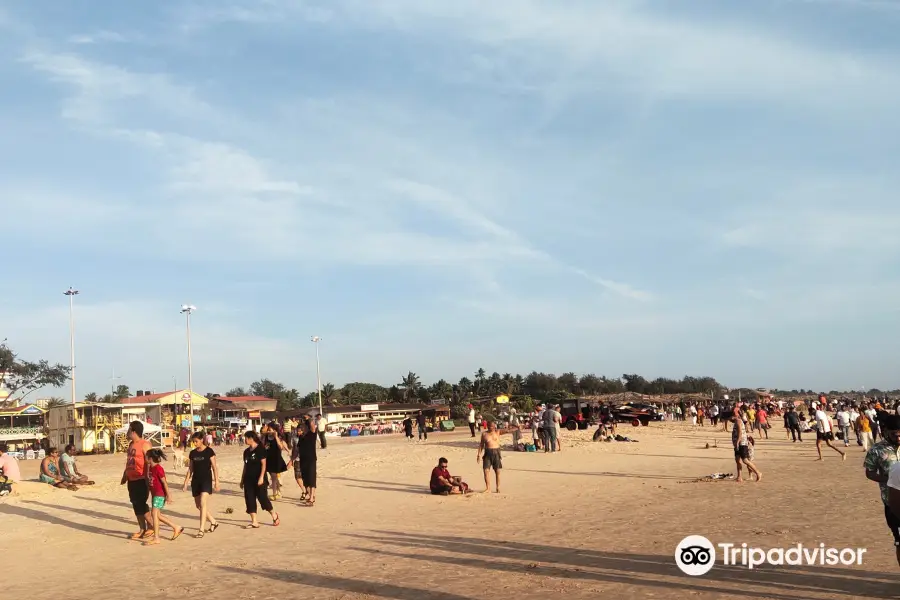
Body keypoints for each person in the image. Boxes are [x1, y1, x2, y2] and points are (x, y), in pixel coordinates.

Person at [866, 412, 900, 567]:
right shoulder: (876, 450)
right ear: (886, 431)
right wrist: (889, 480)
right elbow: (869, 472)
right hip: (892, 504)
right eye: (895, 435)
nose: (898, 438)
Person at [181, 431, 220, 538]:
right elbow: (190, 469)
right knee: (199, 506)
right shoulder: (193, 453)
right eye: (193, 442)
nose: (195, 443)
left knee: (203, 503)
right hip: (195, 481)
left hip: (206, 480)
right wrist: (185, 483)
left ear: (202, 440)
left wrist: (217, 481)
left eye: (196, 441)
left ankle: (201, 530)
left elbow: (214, 467)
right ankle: (213, 522)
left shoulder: (209, 451)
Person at [121, 421, 154, 541]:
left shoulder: (145, 444)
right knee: (135, 503)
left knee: (141, 503)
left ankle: (151, 526)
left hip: (141, 479)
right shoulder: (131, 444)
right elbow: (129, 461)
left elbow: (151, 462)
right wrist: (125, 475)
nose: (127, 432)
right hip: (131, 479)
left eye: (129, 430)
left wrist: (149, 478)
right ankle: (142, 528)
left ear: (134, 431)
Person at [240, 431, 280, 529]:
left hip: (259, 478)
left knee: (263, 499)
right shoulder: (246, 452)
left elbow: (264, 464)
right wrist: (242, 480)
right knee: (249, 499)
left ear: (251, 438)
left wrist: (261, 477)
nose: (244, 440)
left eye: (246, 438)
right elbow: (245, 466)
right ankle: (254, 521)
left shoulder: (260, 449)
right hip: (248, 479)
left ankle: (274, 515)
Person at [145, 448, 183, 546]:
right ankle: (176, 527)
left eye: (146, 457)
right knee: (157, 515)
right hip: (154, 494)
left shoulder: (158, 468)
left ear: (150, 458)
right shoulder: (150, 468)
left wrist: (168, 495)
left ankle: (156, 538)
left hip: (159, 494)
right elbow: (151, 483)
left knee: (154, 514)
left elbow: (164, 482)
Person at [291, 417, 318, 506]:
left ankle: (311, 499)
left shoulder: (311, 435)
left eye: (299, 431)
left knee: (311, 479)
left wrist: (310, 419)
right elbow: (297, 451)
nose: (298, 433)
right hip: (303, 461)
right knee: (305, 480)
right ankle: (311, 496)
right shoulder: (300, 439)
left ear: (304, 430)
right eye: (297, 431)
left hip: (311, 460)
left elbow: (313, 427)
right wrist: (292, 460)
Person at [732, 413, 761, 483]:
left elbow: (740, 433)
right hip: (738, 444)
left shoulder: (738, 421)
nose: (730, 420)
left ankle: (758, 472)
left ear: (733, 416)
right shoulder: (736, 422)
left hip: (742, 443)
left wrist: (737, 442)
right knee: (737, 460)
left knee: (745, 460)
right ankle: (739, 477)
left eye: (730, 418)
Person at [263, 423, 288, 500]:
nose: (269, 431)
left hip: (276, 459)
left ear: (274, 430)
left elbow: (280, 447)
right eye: (268, 430)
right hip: (268, 459)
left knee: (274, 477)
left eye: (270, 430)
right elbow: (265, 446)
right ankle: (279, 492)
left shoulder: (278, 437)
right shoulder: (266, 437)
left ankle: (274, 494)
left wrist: (276, 436)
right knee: (274, 477)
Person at [477, 421, 503, 493]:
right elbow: (481, 445)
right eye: (489, 426)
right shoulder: (484, 434)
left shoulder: (497, 432)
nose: (490, 427)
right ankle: (488, 488)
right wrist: (478, 455)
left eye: (492, 426)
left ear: (494, 426)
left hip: (496, 452)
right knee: (486, 470)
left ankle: (498, 487)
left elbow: (507, 430)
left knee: (497, 471)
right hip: (487, 453)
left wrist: (517, 428)